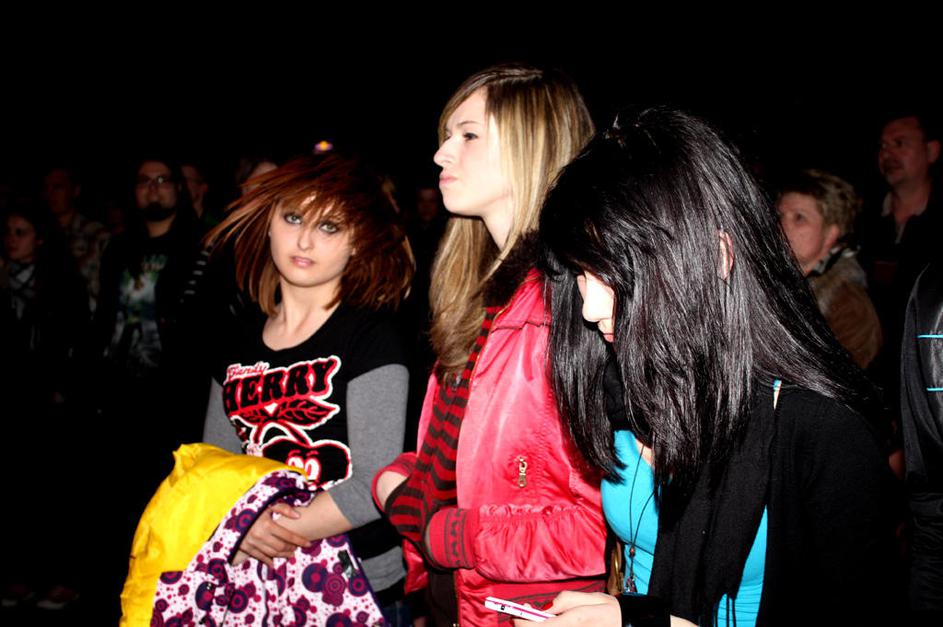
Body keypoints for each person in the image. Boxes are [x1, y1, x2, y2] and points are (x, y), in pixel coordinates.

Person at [536, 106, 901, 626]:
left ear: (716, 256)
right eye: (580, 272)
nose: (590, 308)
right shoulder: (620, 381)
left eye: (613, 273)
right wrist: (622, 609)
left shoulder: (822, 428)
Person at [372, 64, 605, 626]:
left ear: (532, 142)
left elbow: (605, 528)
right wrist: (400, 479)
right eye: (446, 136)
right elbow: (462, 456)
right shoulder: (477, 294)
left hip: (532, 612)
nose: (441, 154)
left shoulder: (576, 305)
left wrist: (456, 534)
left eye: (468, 134)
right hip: (454, 599)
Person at [201, 153, 414, 623]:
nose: (304, 240)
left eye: (329, 227)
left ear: (358, 241)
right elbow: (212, 466)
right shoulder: (234, 341)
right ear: (269, 223)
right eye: (293, 217)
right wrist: (238, 526)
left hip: (360, 585)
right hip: (254, 588)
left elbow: (375, 482)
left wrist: (260, 530)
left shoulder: (372, 337)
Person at [777, 169, 882, 369]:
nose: (782, 225)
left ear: (831, 234)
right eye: (780, 215)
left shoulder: (848, 305)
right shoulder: (774, 284)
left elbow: (841, 378)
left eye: (799, 218)